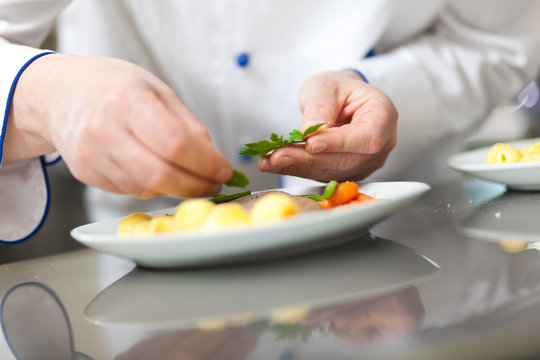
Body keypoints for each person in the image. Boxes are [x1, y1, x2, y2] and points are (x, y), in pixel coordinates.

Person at [0, 0, 539, 242]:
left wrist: (377, 91)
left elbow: (494, 42)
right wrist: (44, 94)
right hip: (151, 243)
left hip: (396, 241)